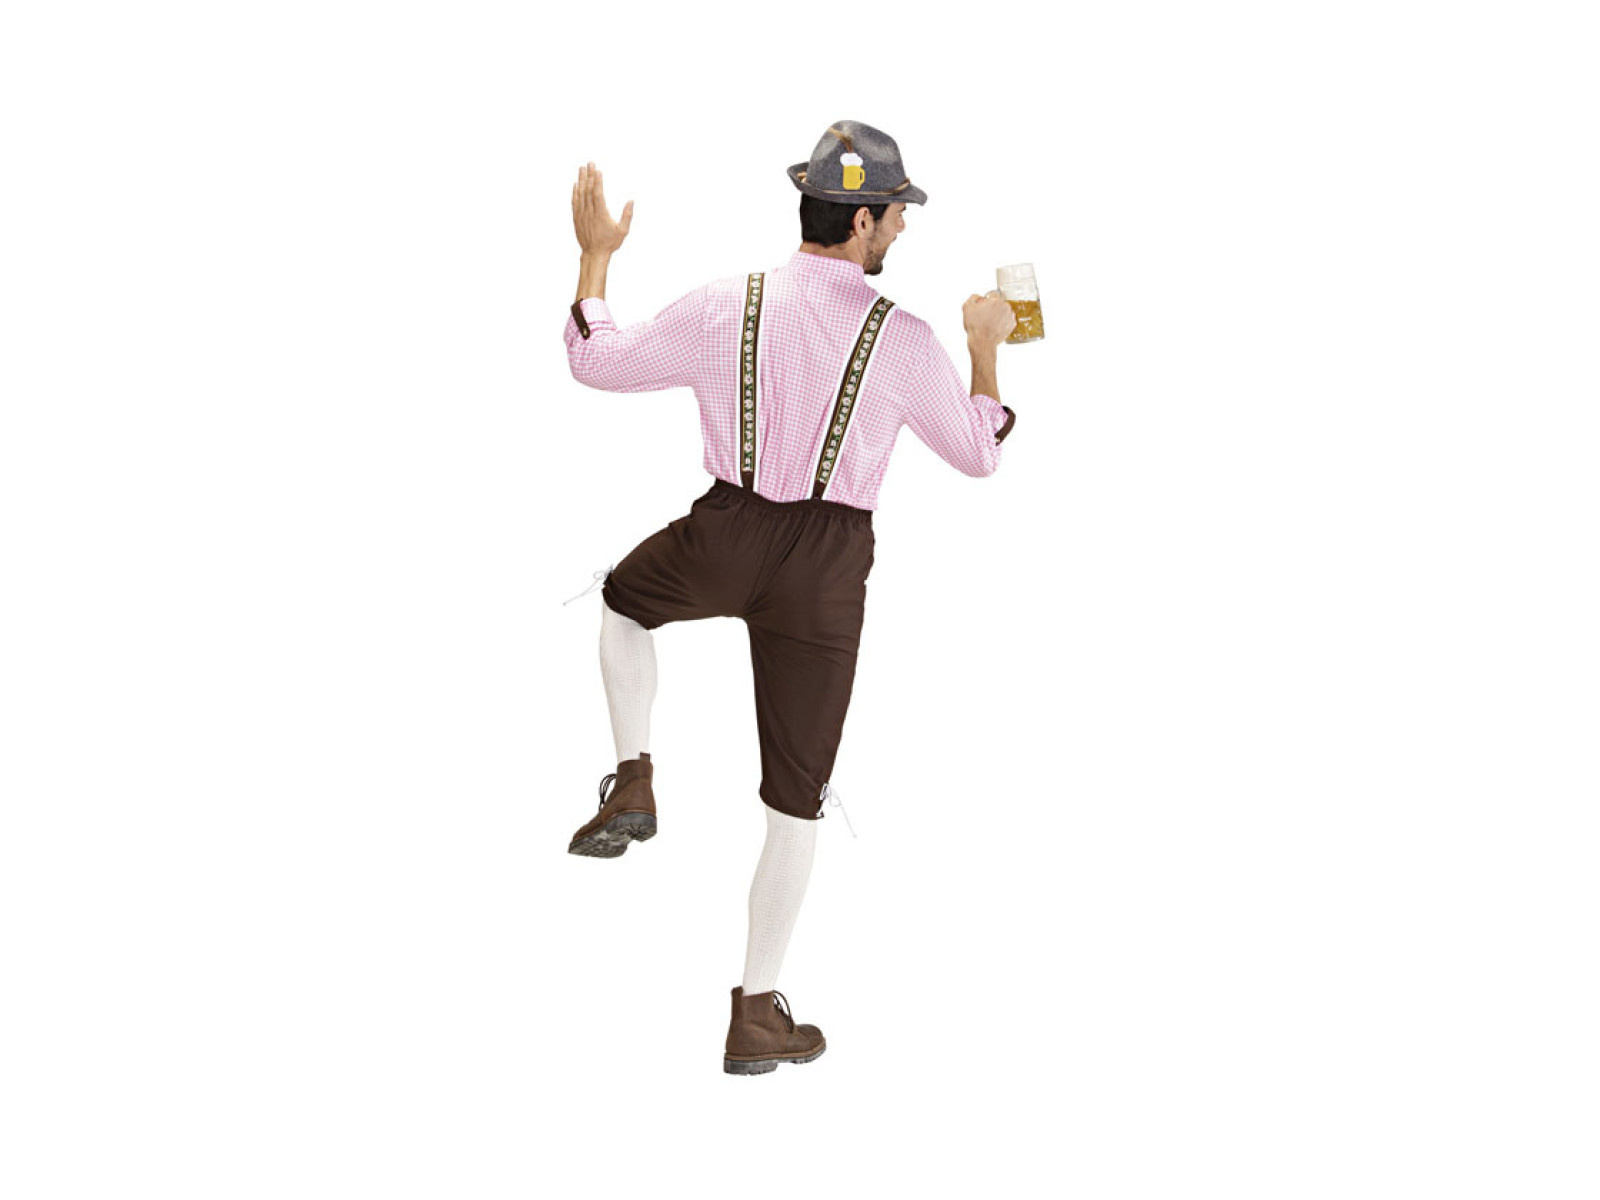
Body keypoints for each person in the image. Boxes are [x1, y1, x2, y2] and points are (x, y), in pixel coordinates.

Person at [561, 120, 1018, 1075]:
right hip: (826, 574)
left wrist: (596, 259)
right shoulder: (905, 342)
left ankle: (634, 775)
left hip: (727, 533)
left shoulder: (727, 303)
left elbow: (598, 362)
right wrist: (986, 349)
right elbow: (979, 455)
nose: (902, 227)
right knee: (795, 804)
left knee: (624, 601)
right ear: (861, 222)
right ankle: (754, 1015)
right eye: (895, 213)